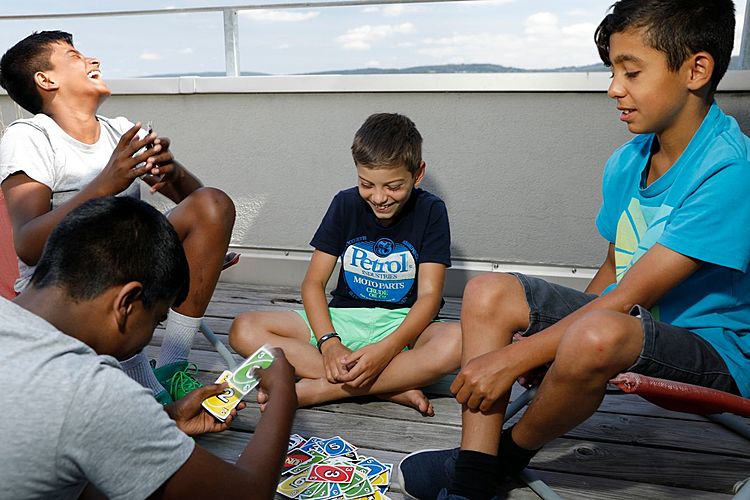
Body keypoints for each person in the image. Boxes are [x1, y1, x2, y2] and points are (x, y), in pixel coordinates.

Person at [398, 0, 749, 498]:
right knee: (488, 292)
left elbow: (633, 295)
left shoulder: (731, 171)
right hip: (624, 318)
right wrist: (551, 343)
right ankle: (472, 476)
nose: (614, 89)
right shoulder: (629, 161)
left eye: (631, 72)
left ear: (696, 69)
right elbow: (614, 267)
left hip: (715, 351)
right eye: (612, 71)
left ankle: (502, 462)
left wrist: (518, 358)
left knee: (596, 333)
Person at [0, 196, 297, 499]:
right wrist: (283, 394)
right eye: (157, 320)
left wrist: (169, 420)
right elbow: (248, 496)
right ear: (127, 303)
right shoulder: (93, 390)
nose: (147, 339)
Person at [0, 31, 236, 404]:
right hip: (69, 286)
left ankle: (171, 367)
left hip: (129, 263)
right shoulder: (29, 137)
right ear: (46, 80)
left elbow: (199, 206)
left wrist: (172, 173)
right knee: (120, 242)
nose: (94, 61)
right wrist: (108, 181)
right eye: (75, 56)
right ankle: (142, 384)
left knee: (214, 203)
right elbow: (28, 245)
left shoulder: (119, 130)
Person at [229, 112, 461, 415]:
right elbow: (313, 283)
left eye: (393, 186)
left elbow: (429, 297)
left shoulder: (432, 211)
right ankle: (390, 387)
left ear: (417, 173)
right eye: (367, 184)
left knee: (458, 341)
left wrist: (387, 349)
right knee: (243, 329)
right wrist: (329, 343)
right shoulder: (345, 204)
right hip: (342, 320)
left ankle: (322, 390)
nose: (379, 197)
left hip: (405, 326)